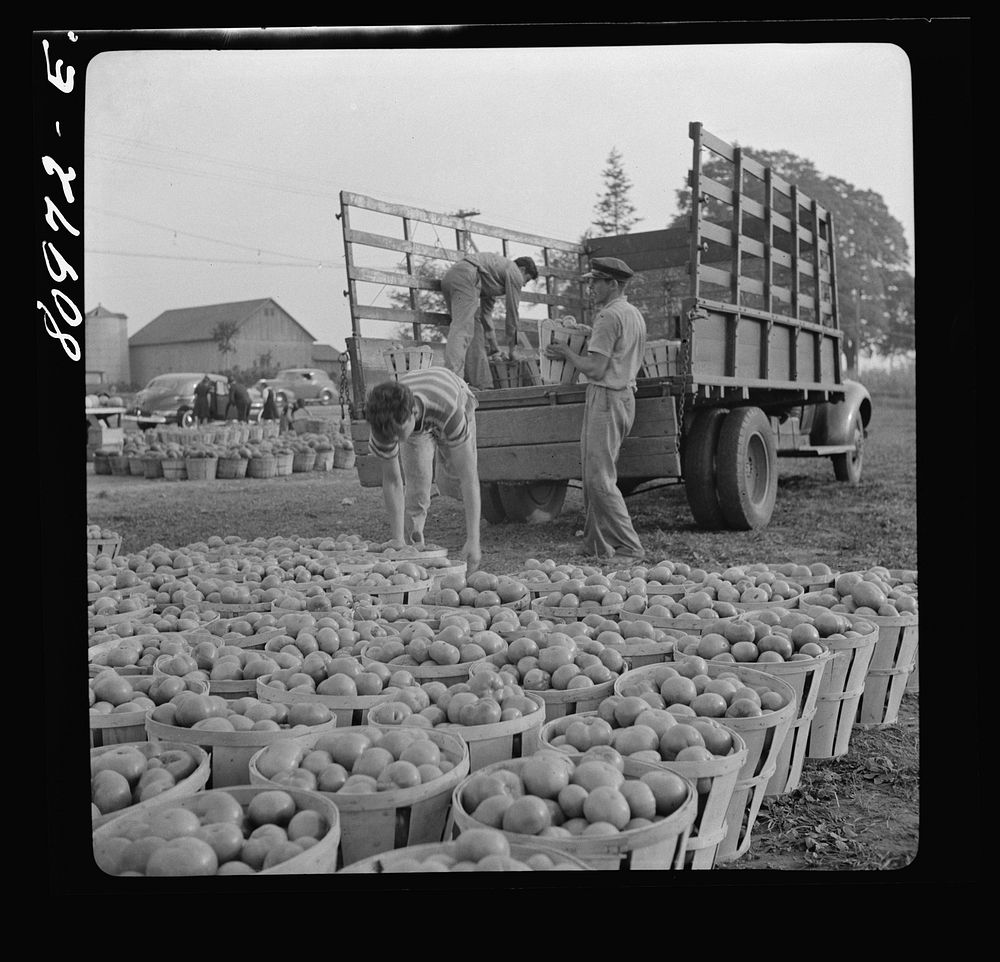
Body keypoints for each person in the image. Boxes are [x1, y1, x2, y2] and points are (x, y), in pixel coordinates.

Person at [544, 256, 647, 563]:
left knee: (598, 479)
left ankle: (629, 546)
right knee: (595, 474)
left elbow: (597, 368)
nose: (590, 287)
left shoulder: (608, 317)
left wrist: (565, 352)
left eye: (595, 281)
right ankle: (595, 545)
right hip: (624, 397)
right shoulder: (633, 314)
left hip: (606, 397)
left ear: (612, 284)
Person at [365, 366, 482, 572]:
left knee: (453, 475)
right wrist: (396, 538)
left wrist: (474, 540)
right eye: (390, 436)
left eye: (399, 433)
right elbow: (393, 482)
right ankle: (411, 546)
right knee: (418, 482)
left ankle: (469, 537)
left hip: (452, 395)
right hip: (416, 419)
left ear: (414, 413)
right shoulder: (384, 426)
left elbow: (469, 477)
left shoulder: (449, 410)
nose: (395, 441)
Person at [440, 252, 539, 390]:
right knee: (462, 329)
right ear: (522, 270)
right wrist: (513, 349)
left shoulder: (493, 278)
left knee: (475, 330)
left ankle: (481, 384)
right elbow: (512, 313)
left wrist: (494, 347)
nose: (523, 285)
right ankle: (453, 381)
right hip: (467, 277)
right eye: (526, 280)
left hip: (455, 277)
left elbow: (486, 316)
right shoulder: (514, 271)